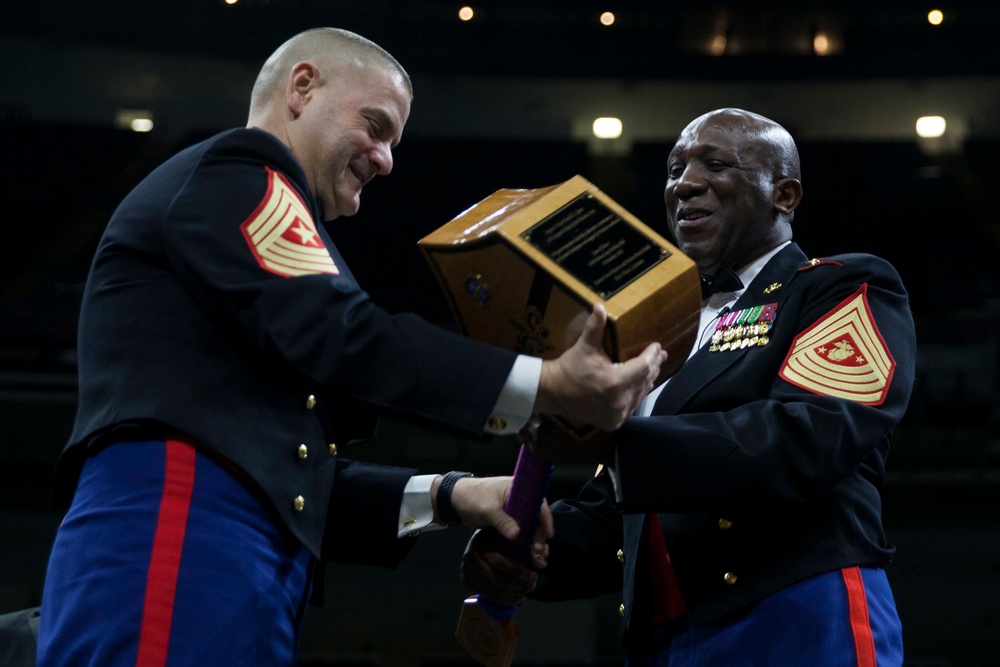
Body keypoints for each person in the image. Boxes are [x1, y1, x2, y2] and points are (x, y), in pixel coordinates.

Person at [36, 27, 666, 667]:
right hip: (178, 537)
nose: (387, 158)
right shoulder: (244, 172)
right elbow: (348, 335)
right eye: (375, 125)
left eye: (393, 141)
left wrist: (453, 495)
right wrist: (548, 383)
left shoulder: (263, 216)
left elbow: (294, 478)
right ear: (302, 88)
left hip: (230, 562)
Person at [461, 108, 917, 665]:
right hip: (663, 641)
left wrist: (610, 444)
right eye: (675, 168)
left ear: (785, 195)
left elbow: (811, 437)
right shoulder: (658, 326)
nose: (685, 183)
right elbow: (626, 506)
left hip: (795, 615)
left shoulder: (843, 285)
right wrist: (526, 547)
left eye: (715, 164)